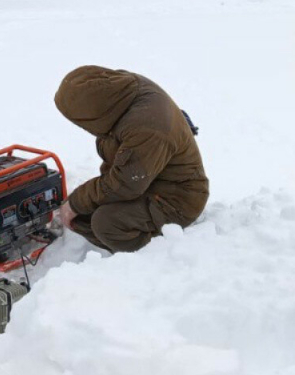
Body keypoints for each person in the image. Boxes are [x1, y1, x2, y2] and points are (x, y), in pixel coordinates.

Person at [53, 66, 209, 252]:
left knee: (106, 224)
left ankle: (155, 253)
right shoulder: (119, 95)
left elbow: (126, 184)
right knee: (84, 214)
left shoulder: (146, 129)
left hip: (178, 197)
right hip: (147, 178)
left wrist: (76, 202)